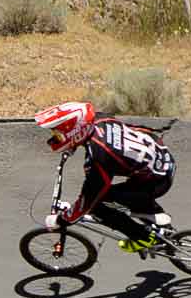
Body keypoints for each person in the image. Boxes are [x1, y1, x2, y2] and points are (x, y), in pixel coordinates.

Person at [38, 101, 176, 254]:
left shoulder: (100, 157)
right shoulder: (100, 119)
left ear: (76, 131)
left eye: (57, 134)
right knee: (119, 194)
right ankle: (151, 212)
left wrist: (62, 220)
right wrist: (74, 144)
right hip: (161, 155)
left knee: (97, 206)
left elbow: (88, 199)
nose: (55, 138)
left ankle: (143, 238)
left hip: (158, 181)